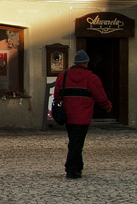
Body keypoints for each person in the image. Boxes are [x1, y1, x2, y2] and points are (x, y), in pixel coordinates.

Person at [53, 49, 111, 179]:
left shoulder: (63, 76)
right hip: (83, 116)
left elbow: (57, 95)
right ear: (86, 63)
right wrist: (107, 105)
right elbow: (100, 96)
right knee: (76, 142)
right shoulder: (91, 78)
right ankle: (72, 169)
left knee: (74, 141)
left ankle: (77, 167)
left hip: (67, 115)